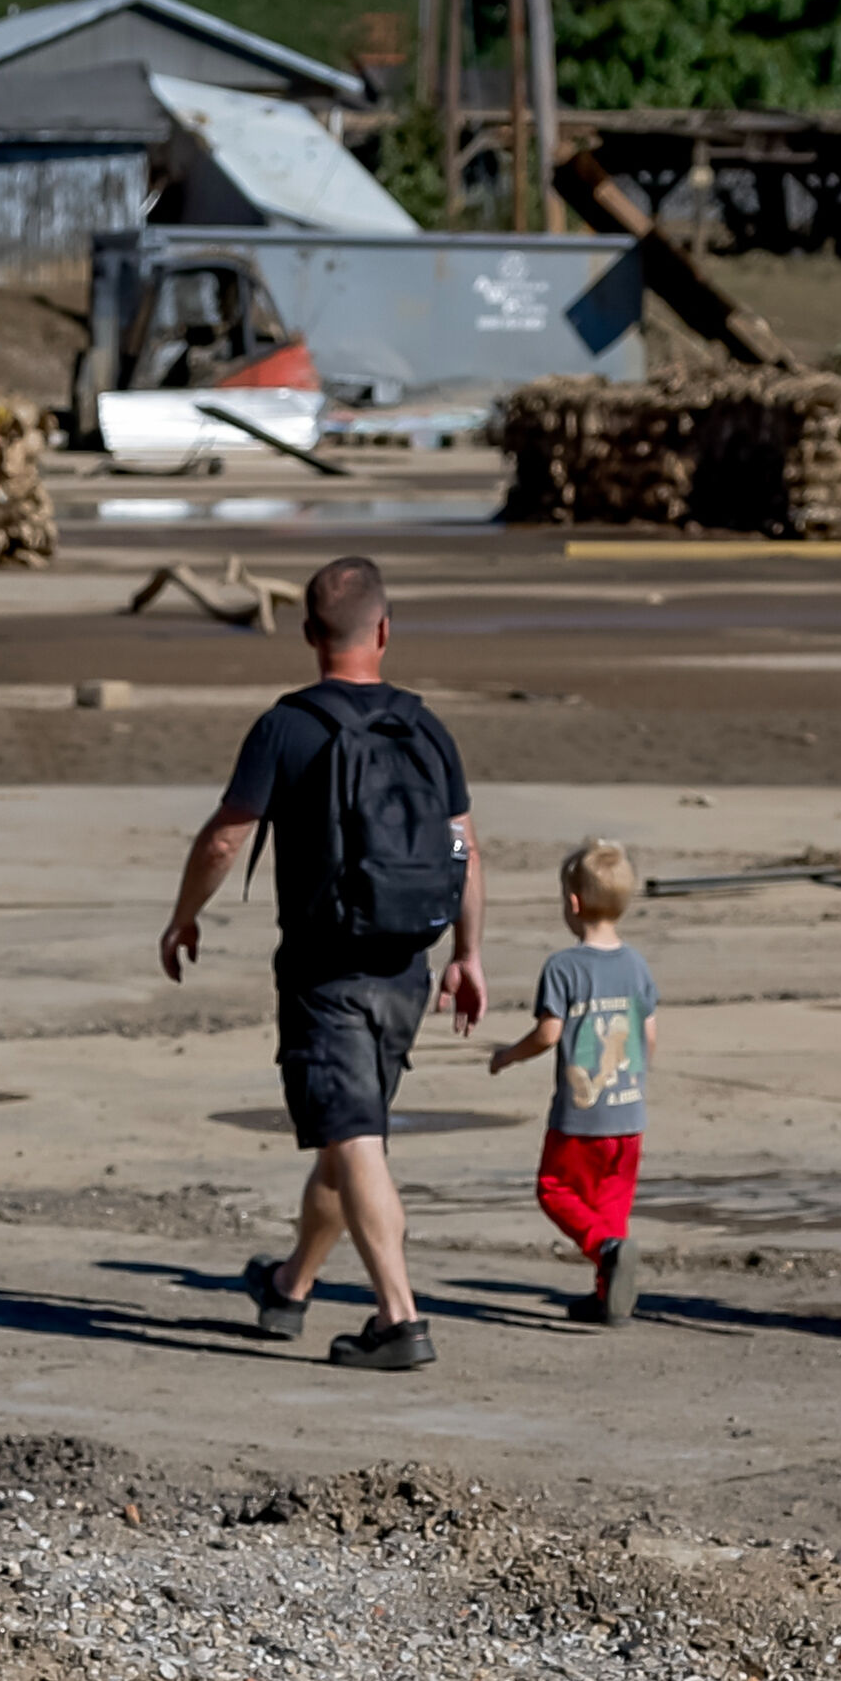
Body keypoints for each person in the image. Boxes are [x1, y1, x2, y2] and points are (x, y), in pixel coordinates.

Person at [158, 553, 483, 1373]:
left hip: (325, 972)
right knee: (347, 1142)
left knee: (353, 1137)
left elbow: (228, 834)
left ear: (308, 635)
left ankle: (399, 1317)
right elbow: (464, 848)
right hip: (408, 966)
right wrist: (468, 954)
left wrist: (182, 916)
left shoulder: (287, 725)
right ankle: (288, 1287)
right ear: (383, 631)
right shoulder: (424, 725)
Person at [484, 836, 653, 1328]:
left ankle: (605, 1252)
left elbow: (548, 1033)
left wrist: (507, 1057)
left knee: (554, 1189)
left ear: (572, 904)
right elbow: (649, 1032)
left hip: (583, 1115)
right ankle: (608, 1297)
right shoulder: (636, 964)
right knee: (612, 1205)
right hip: (629, 1113)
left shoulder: (563, 967)